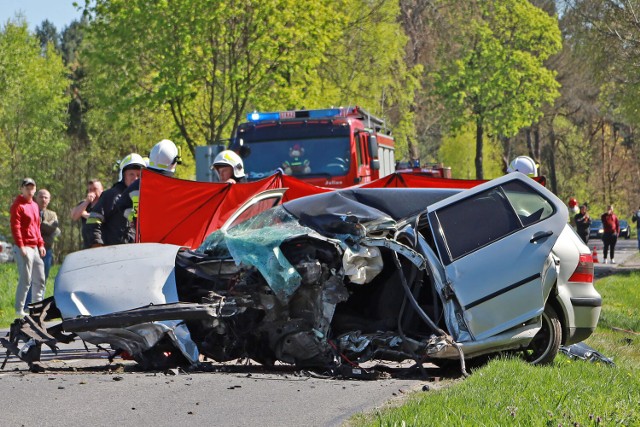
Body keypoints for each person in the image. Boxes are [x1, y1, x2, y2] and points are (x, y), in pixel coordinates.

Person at [115, 139, 182, 236]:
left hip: (146, 242)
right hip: (171, 241)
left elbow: (121, 204)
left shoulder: (137, 185)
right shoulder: (178, 188)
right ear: (174, 162)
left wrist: (135, 219)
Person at [86, 153, 146, 246]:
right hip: (112, 254)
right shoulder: (111, 195)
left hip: (134, 254)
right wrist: (97, 244)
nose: (135, 178)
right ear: (123, 176)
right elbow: (93, 221)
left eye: (138, 175)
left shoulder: (143, 199)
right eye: (131, 174)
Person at [10, 178, 46, 317]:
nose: (29, 190)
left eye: (32, 187)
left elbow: (37, 227)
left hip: (35, 246)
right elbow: (15, 227)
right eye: (27, 187)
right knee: (26, 279)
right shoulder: (18, 205)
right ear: (22, 189)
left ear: (35, 189)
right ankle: (19, 310)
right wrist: (21, 245)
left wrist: (41, 244)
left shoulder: (35, 205)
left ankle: (37, 309)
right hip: (23, 247)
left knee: (40, 278)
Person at [35, 189, 61, 281]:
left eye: (46, 197)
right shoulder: (31, 212)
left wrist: (40, 223)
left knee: (44, 278)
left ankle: (41, 296)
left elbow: (53, 228)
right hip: (33, 249)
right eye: (41, 197)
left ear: (49, 200)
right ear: (36, 198)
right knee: (31, 279)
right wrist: (46, 226)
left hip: (47, 249)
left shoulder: (52, 214)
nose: (43, 199)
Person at [70, 179, 104, 248]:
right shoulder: (84, 204)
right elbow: (74, 216)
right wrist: (87, 202)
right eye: (90, 189)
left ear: (102, 189)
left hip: (101, 241)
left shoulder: (105, 202)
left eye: (95, 189)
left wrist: (84, 214)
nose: (92, 191)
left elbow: (101, 218)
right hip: (87, 243)